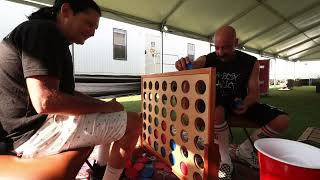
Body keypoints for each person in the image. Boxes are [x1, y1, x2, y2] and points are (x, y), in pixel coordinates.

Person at [0, 0, 142, 179]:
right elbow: (46, 101)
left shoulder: (43, 33)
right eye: (89, 24)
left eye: (96, 28)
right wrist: (105, 107)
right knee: (134, 123)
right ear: (66, 11)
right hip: (31, 136)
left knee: (112, 114)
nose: (93, 33)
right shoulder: (44, 32)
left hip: (28, 131)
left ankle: (100, 168)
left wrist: (104, 105)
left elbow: (65, 95)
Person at [175, 26, 289, 180]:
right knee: (217, 107)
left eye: (225, 47)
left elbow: (254, 94)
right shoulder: (207, 59)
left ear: (236, 42)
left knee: (282, 120)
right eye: (217, 47)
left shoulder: (251, 62)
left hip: (238, 104)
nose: (220, 52)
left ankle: (245, 150)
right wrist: (183, 65)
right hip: (214, 106)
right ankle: (225, 159)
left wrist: (245, 103)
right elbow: (191, 67)